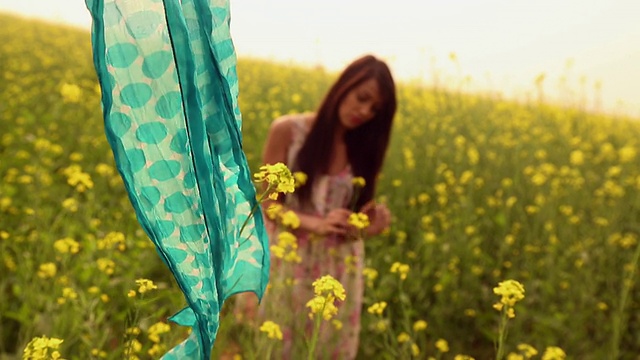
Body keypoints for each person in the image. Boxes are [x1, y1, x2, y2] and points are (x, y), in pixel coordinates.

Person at [246, 54, 397, 359]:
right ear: (344, 86)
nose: (364, 111)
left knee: (322, 348)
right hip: (288, 260)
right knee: (273, 348)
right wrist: (314, 223)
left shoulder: (365, 147)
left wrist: (367, 227)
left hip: (338, 269)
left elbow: (355, 215)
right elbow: (268, 206)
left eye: (375, 109)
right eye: (362, 98)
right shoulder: (288, 131)